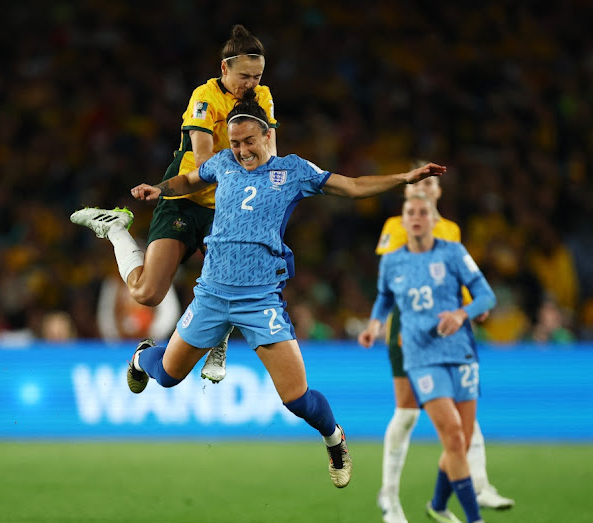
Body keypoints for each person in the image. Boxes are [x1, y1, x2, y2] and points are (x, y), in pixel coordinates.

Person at [72, 90, 446, 488]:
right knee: (165, 376)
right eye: (234, 143)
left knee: (297, 400)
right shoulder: (223, 164)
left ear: (267, 135)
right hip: (212, 294)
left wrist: (403, 178)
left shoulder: (294, 171)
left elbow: (351, 186)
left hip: (259, 300)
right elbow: (189, 179)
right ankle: (141, 357)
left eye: (249, 141)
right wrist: (160, 189)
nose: (242, 150)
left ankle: (334, 439)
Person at [72, 24, 277, 384]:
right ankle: (118, 230)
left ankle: (219, 344)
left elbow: (270, 155)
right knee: (147, 293)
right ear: (224, 69)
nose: (252, 84)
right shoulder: (205, 97)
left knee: (236, 274)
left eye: (258, 76)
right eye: (245, 76)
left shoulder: (263, 97)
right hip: (186, 199)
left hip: (228, 206)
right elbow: (201, 161)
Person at [370, 171, 514, 523]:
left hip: (452, 333)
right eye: (416, 184)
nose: (422, 188)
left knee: (462, 422)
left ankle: (477, 485)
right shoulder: (397, 225)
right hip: (409, 330)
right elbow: (395, 283)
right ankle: (389, 493)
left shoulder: (450, 231)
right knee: (406, 415)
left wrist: (471, 307)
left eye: (429, 182)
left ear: (439, 190)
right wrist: (378, 322)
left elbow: (456, 279)